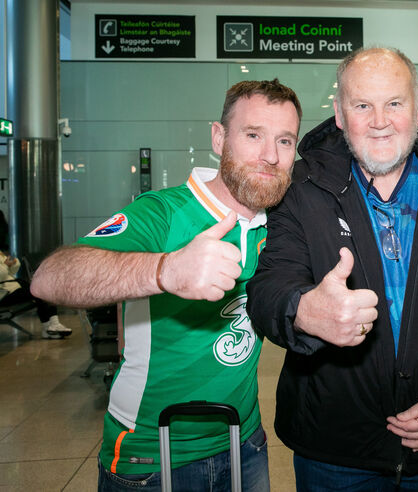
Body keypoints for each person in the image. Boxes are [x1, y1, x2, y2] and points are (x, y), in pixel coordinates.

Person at [246, 47, 418, 491]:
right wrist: (302, 309)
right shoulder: (299, 186)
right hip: (334, 452)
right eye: (362, 105)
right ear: (339, 114)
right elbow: (268, 287)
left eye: (394, 103)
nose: (379, 120)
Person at [29, 79, 302, 491]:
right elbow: (51, 277)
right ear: (218, 137)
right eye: (253, 135)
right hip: (152, 455)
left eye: (285, 141)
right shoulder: (163, 213)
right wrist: (166, 270)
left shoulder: (280, 224)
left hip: (245, 442)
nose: (270, 155)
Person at [0, 210, 71, 338]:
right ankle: (50, 326)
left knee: (43, 288)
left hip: (10, 288)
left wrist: (12, 263)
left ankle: (52, 324)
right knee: (38, 291)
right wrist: (5, 266)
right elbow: (3, 274)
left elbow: (11, 272)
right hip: (3, 293)